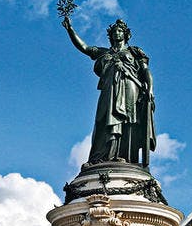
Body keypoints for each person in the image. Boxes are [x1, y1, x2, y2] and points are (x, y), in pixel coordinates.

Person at [63, 16, 156, 167]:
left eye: (120, 31)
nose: (117, 33)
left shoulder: (134, 52)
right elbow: (85, 48)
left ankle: (125, 157)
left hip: (130, 88)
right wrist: (70, 29)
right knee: (103, 119)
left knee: (128, 122)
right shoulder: (103, 52)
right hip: (108, 90)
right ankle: (99, 157)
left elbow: (146, 72)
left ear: (126, 34)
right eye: (114, 31)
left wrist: (150, 89)